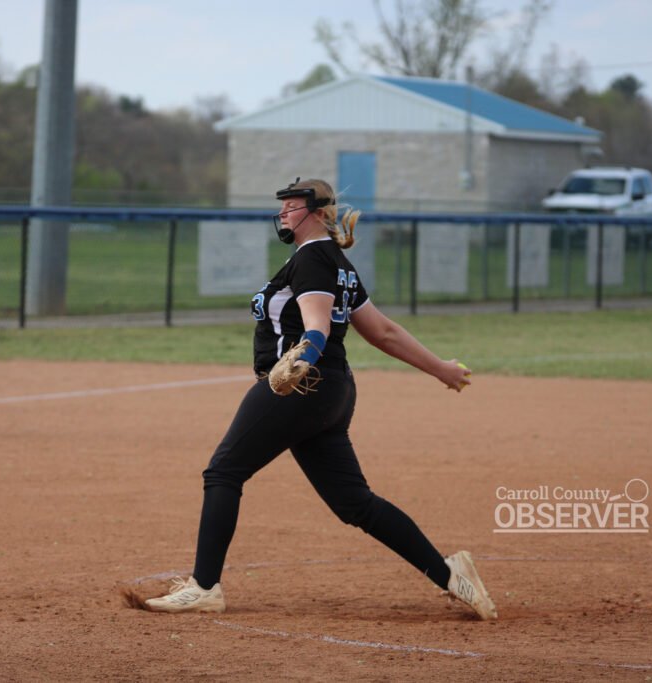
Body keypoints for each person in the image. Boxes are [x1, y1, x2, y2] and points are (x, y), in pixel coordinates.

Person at [140, 178, 497, 620]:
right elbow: (382, 331)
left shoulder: (312, 258)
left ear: (316, 212)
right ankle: (451, 576)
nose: (284, 214)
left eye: (292, 207)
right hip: (331, 390)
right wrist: (440, 368)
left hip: (300, 387)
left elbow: (316, 327)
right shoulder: (337, 262)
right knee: (355, 503)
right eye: (284, 207)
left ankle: (205, 586)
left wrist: (302, 358)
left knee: (224, 471)